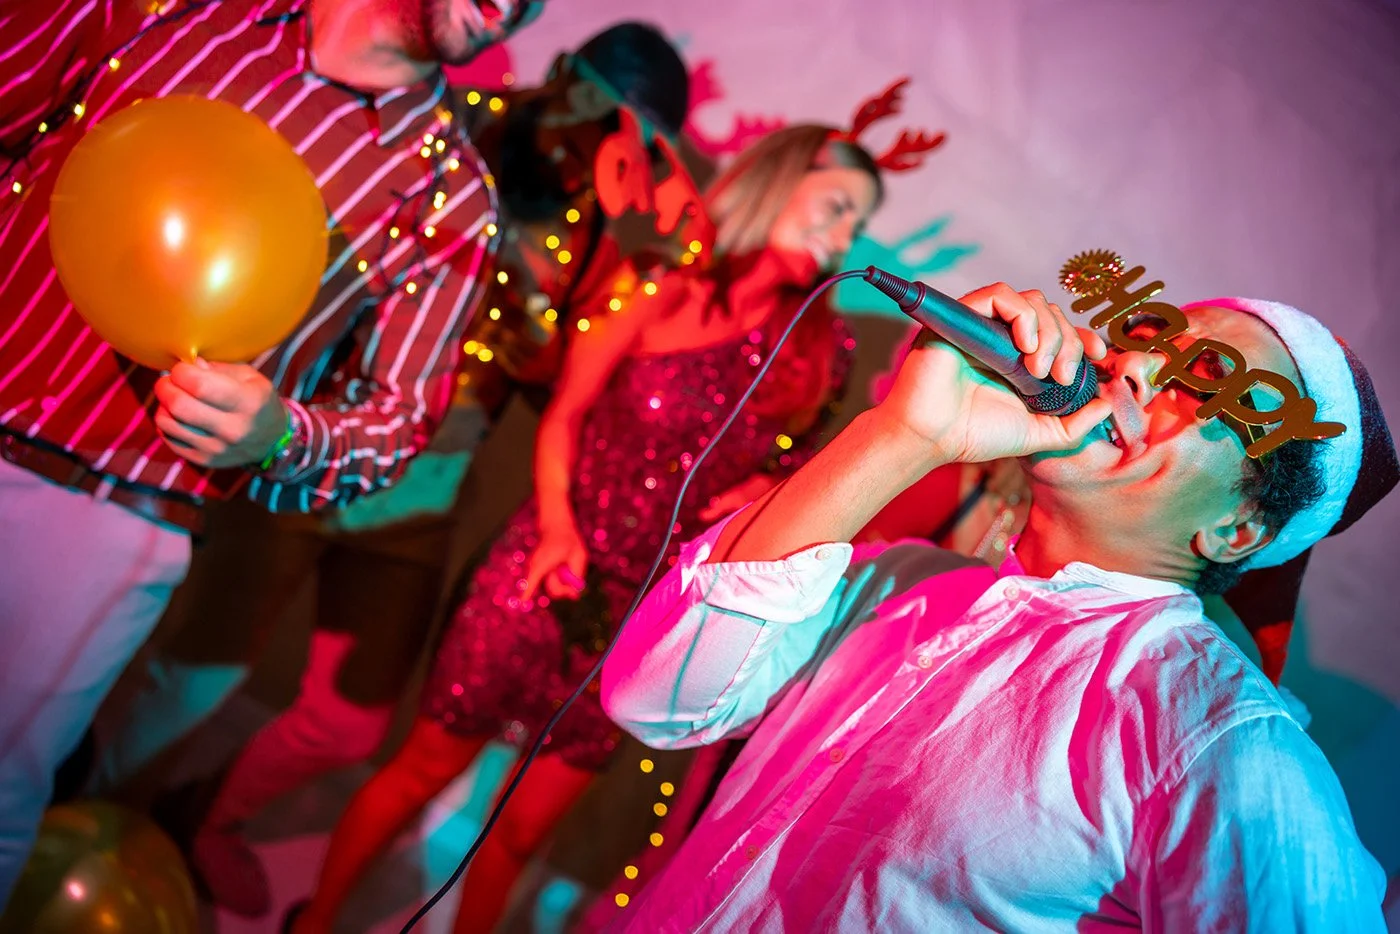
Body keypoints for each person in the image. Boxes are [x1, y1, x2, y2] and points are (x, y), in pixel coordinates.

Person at [289, 90, 945, 933]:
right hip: (543, 567)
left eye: (856, 226)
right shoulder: (655, 283)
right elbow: (563, 415)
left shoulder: (825, 346)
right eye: (838, 208)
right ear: (781, 181)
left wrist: (769, 497)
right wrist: (558, 526)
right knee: (420, 769)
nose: (844, 238)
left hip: (645, 619)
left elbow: (796, 477)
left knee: (522, 830)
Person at [94, 22, 690, 919]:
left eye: (630, 132)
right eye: (599, 107)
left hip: (420, 494)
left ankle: (203, 818)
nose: (602, 137)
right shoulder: (454, 139)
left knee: (349, 723)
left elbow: (554, 377)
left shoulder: (605, 239)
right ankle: (94, 820)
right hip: (306, 453)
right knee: (195, 677)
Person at [600, 278, 1396, 928]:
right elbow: (656, 703)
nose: (1138, 370)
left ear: (1236, 528)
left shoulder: (1219, 744)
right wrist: (906, 435)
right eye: (1148, 337)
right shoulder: (906, 584)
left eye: (1213, 384)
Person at [0, 0, 543, 908]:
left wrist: (279, 432)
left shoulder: (448, 199)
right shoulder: (174, 14)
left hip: (115, 511)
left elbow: (393, 426)